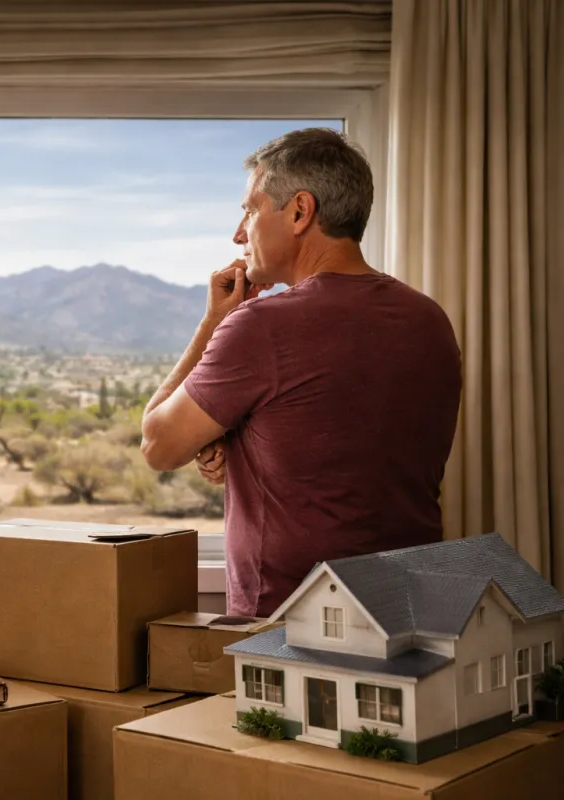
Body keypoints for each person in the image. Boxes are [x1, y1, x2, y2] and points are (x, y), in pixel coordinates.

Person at [140, 128, 462, 618]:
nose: (239, 233)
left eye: (250, 209)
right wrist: (241, 444)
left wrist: (214, 322)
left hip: (289, 622)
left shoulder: (262, 326)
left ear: (299, 212)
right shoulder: (429, 319)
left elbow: (159, 444)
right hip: (411, 611)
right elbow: (341, 439)